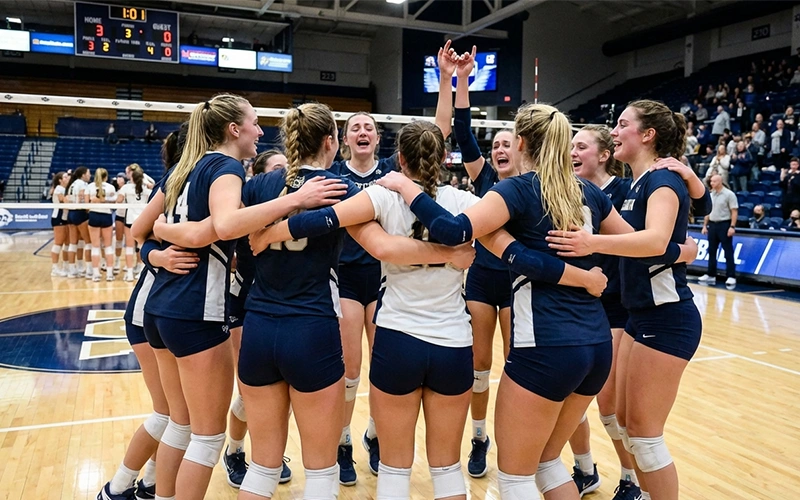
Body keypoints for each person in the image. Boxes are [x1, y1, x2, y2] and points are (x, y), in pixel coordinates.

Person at [244, 106, 480, 500]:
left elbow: (369, 239)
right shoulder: (471, 205)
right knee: (447, 470)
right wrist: (449, 253)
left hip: (280, 324)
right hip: (448, 341)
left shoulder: (262, 188)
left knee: (268, 467)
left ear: (399, 159)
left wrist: (270, 233)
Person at [131, 94, 347, 500]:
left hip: (171, 309)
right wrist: (296, 203)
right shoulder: (231, 170)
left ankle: (142, 487)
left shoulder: (188, 170)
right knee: (211, 440)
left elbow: (141, 230)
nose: (260, 131)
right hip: (221, 311)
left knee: (187, 427)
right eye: (253, 122)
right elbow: (222, 228)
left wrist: (158, 246)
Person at [547, 100, 709, 500]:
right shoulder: (638, 182)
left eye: (622, 125)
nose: (614, 131)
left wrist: (591, 241)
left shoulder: (661, 181)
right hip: (640, 316)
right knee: (625, 424)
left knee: (645, 436)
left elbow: (655, 241)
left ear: (648, 134)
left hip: (668, 317)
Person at [97, 129, 197, 500]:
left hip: (167, 309)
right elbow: (140, 233)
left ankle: (151, 482)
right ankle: (116, 487)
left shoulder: (200, 184)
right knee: (169, 415)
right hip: (148, 312)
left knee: (177, 415)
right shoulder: (174, 184)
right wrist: (157, 255)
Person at [442, 45, 517, 479]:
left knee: (517, 363)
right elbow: (464, 133)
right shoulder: (486, 177)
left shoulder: (530, 185)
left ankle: (515, 435)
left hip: (519, 282)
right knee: (478, 364)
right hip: (485, 280)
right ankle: (480, 436)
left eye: (508, 143)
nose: (500, 148)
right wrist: (463, 79)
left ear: (522, 150)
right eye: (497, 145)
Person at [698, 174, 738, 286]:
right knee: (711, 251)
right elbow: (708, 212)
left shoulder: (729, 194)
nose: (711, 183)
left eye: (714, 181)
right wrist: (705, 225)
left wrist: (732, 226)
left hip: (724, 225)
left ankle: (731, 276)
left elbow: (734, 211)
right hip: (712, 225)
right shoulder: (711, 195)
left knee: (728, 252)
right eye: (711, 182)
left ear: (720, 181)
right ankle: (711, 275)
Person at [116, 165, 152, 282]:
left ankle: (130, 273)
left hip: (130, 220)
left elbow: (118, 201)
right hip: (143, 220)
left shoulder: (126, 188)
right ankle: (141, 271)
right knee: (141, 246)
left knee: (129, 247)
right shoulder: (146, 188)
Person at [85, 168, 117, 282]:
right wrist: (105, 201)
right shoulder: (110, 187)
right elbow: (115, 202)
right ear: (106, 177)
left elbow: (86, 203)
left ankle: (95, 274)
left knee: (95, 246)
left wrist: (96, 201)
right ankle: (109, 274)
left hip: (94, 215)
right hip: (106, 216)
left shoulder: (90, 187)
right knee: (108, 246)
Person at [66, 167, 92, 278]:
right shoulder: (82, 184)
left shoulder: (72, 184)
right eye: (88, 173)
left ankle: (73, 270)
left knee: (74, 243)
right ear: (83, 175)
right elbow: (82, 199)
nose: (90, 175)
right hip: (80, 213)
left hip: (71, 213)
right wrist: (88, 209)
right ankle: (89, 270)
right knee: (88, 242)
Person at [49, 171, 70, 277]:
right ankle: (55, 268)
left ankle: (66, 267)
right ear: (60, 180)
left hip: (66, 218)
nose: (68, 178)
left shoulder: (65, 189)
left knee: (67, 243)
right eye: (65, 177)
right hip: (58, 217)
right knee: (58, 243)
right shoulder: (59, 189)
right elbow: (65, 201)